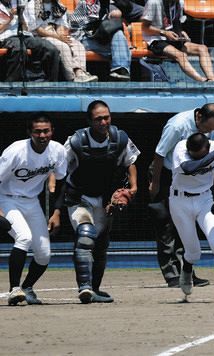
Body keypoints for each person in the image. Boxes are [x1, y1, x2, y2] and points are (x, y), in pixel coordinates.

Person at [64, 100, 141, 304]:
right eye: (98, 119)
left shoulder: (120, 138)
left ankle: (95, 288)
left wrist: (133, 188)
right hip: (80, 197)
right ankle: (85, 288)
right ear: (89, 120)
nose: (103, 122)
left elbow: (130, 162)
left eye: (106, 117)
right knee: (86, 236)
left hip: (106, 199)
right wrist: (55, 206)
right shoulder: (76, 141)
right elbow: (59, 169)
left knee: (101, 244)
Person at [148, 105, 214, 289]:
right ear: (198, 116)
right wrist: (155, 183)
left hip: (193, 177)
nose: (209, 133)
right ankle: (171, 273)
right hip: (166, 173)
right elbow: (159, 154)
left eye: (212, 130)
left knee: (186, 226)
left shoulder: (212, 127)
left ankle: (187, 273)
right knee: (165, 224)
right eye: (206, 129)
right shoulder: (178, 125)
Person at [167, 133, 214, 303]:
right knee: (194, 252)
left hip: (204, 199)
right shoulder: (181, 148)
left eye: (199, 154)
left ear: (207, 148)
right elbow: (189, 168)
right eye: (192, 153)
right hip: (180, 201)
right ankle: (187, 269)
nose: (194, 156)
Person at [2, 115, 67, 306]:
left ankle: (28, 287)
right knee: (24, 237)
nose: (42, 135)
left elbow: (62, 181)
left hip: (31, 202)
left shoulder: (58, 151)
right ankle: (14, 290)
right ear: (29, 133)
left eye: (46, 130)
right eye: (37, 131)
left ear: (52, 131)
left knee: (44, 254)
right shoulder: (16, 151)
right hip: (7, 198)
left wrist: (57, 212)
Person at [141, 0, 214, 82]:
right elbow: (144, 27)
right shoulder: (153, 2)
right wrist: (164, 33)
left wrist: (181, 34)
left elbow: (176, 23)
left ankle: (212, 80)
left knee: (202, 48)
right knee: (181, 55)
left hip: (170, 39)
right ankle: (202, 81)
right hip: (154, 40)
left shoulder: (179, 3)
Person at [24, 0, 97, 82]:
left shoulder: (58, 5)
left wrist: (62, 37)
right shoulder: (32, 5)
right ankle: (71, 78)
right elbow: (37, 30)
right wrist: (58, 37)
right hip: (39, 37)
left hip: (55, 34)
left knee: (77, 45)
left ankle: (80, 73)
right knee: (64, 47)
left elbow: (60, 26)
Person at [67, 0, 132, 80]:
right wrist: (92, 29)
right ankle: (120, 68)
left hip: (101, 40)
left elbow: (128, 8)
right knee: (124, 50)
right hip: (86, 39)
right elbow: (74, 26)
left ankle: (120, 71)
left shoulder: (107, 4)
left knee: (118, 34)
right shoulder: (84, 3)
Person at [2, 2, 66, 82]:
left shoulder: (16, 4)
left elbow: (25, 28)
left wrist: (20, 15)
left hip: (25, 35)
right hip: (6, 37)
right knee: (19, 49)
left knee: (51, 49)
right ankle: (12, 84)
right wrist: (9, 18)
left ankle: (52, 83)